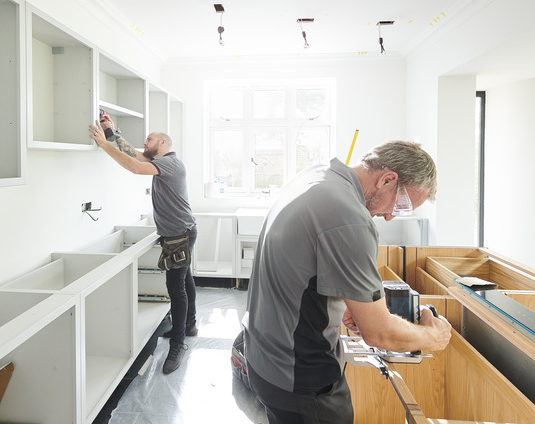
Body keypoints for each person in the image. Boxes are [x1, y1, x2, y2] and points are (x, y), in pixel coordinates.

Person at [244, 140, 452, 423]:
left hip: (264, 359)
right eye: (401, 204)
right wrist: (433, 336)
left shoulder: (317, 176)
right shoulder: (349, 218)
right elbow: (380, 334)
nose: (391, 217)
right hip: (302, 380)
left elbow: (301, 262)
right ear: (387, 179)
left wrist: (347, 304)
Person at [89, 112, 197, 375]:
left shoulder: (171, 163)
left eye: (149, 139)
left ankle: (178, 344)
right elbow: (136, 155)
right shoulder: (160, 160)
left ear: (163, 144)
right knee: (185, 280)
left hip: (179, 234)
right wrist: (112, 132)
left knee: (176, 287)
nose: (145, 143)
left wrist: (104, 145)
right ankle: (190, 324)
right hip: (179, 231)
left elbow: (136, 167)